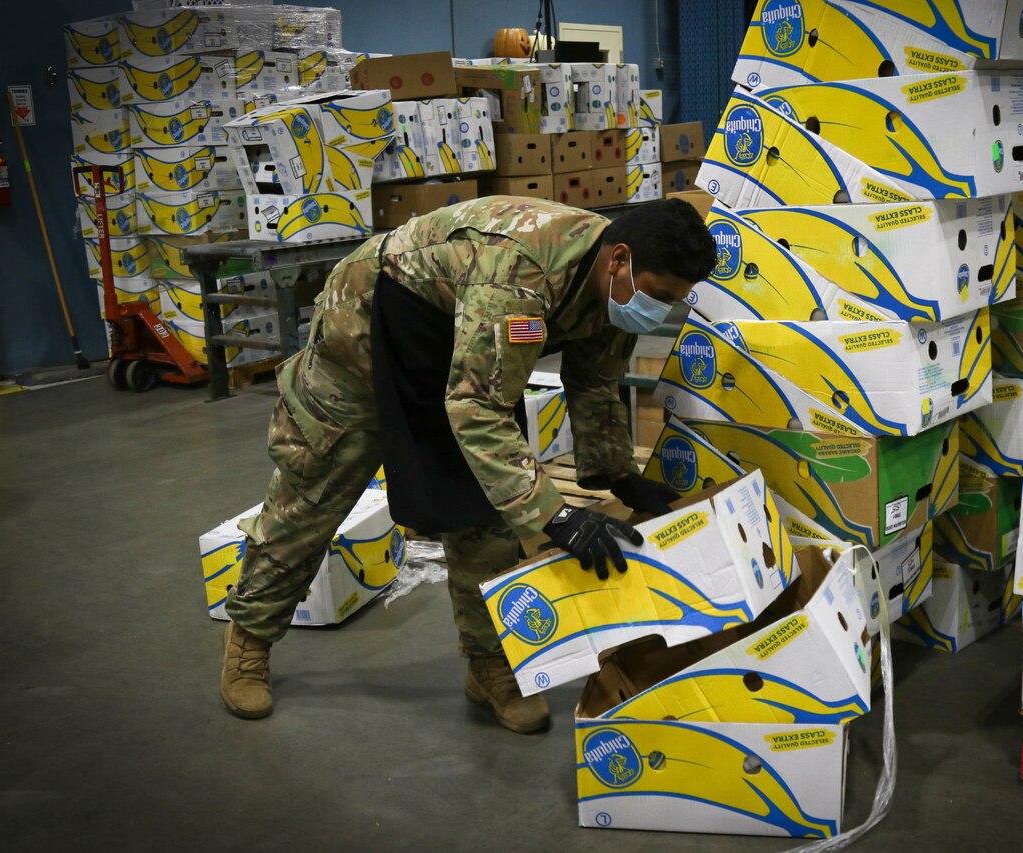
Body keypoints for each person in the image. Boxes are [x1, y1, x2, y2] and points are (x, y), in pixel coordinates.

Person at [218, 196, 718, 733]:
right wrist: (554, 516)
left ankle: (488, 668)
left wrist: (621, 477)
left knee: (489, 504)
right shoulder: (520, 272)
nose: (660, 309)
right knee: (318, 485)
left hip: (467, 342)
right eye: (661, 295)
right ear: (618, 258)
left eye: (673, 300)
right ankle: (249, 638)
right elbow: (477, 407)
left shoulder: (616, 289)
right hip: (370, 327)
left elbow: (594, 382)